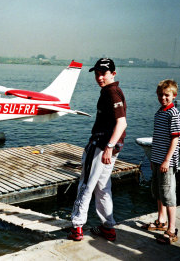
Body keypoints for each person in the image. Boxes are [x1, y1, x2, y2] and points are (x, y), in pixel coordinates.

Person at [68, 58, 127, 242]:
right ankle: (108, 227)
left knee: (85, 185)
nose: (99, 77)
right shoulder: (112, 91)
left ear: (113, 74)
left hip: (101, 146)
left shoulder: (112, 93)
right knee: (103, 188)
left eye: (103, 73)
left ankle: (77, 227)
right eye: (97, 73)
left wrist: (108, 147)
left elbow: (122, 123)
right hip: (109, 147)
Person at [141, 79, 180, 245]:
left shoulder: (174, 114)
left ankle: (171, 229)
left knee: (168, 194)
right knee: (157, 192)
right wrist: (154, 159)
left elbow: (175, 140)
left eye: (167, 95)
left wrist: (166, 160)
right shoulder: (159, 112)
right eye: (160, 94)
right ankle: (161, 220)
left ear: (174, 95)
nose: (163, 97)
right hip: (157, 160)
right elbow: (158, 139)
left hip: (167, 162)